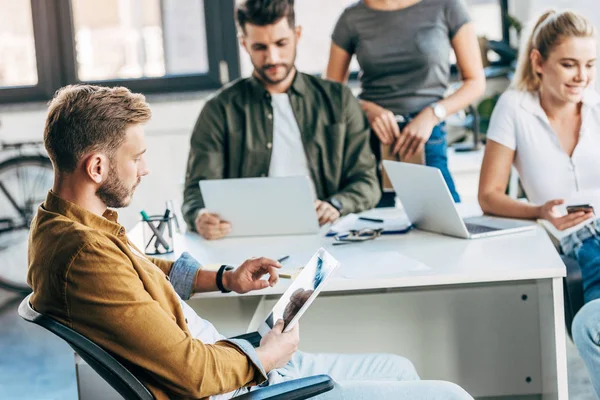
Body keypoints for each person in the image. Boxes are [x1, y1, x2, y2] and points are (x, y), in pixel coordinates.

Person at [28, 84, 473, 399]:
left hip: (236, 363)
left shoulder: (65, 226)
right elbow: (191, 373)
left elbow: (139, 272)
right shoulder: (83, 255)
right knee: (449, 394)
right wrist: (266, 357)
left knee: (400, 369)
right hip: (237, 382)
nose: (143, 169)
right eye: (137, 158)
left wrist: (224, 278)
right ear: (97, 167)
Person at [182, 0, 381, 240]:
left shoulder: (338, 99)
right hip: (246, 243)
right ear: (244, 43)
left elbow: (367, 182)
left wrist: (336, 205)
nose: (272, 58)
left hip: (328, 238)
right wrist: (200, 216)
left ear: (297, 35)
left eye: (281, 43)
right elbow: (196, 192)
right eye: (260, 47)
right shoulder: (218, 110)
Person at [476, 10, 600, 394]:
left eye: (590, 64)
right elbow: (489, 195)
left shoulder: (596, 104)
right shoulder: (514, 108)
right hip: (580, 243)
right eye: (569, 64)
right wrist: (538, 211)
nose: (581, 76)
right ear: (538, 62)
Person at [325, 0, 486, 203]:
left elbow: (475, 82)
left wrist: (432, 115)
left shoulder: (447, 6)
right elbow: (330, 93)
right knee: (375, 226)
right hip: (372, 140)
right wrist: (364, 109)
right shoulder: (352, 17)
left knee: (444, 223)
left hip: (427, 136)